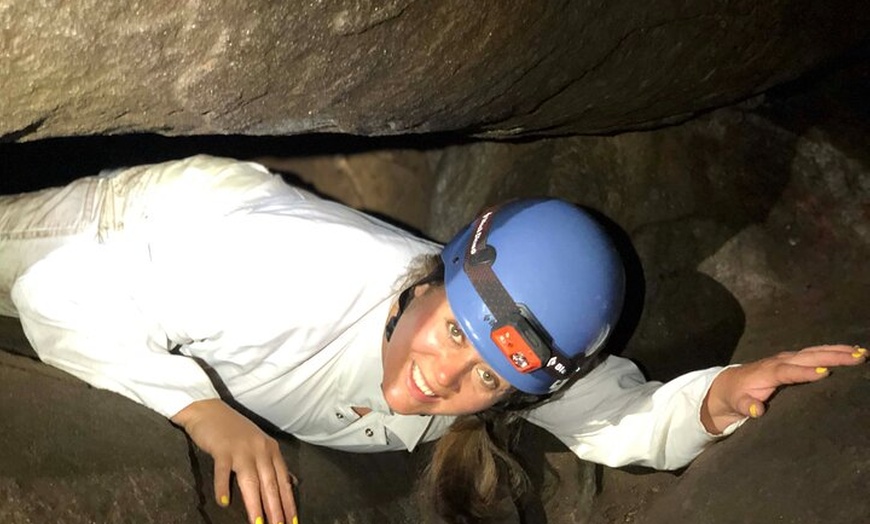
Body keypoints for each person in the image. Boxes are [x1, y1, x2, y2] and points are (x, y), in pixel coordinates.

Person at [0, 155, 864, 524]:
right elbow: (57, 292)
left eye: (488, 376)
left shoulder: (511, 354)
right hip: (130, 227)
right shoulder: (286, 277)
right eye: (454, 328)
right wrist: (195, 409)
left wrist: (717, 398)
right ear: (433, 281)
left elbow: (616, 417)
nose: (444, 375)